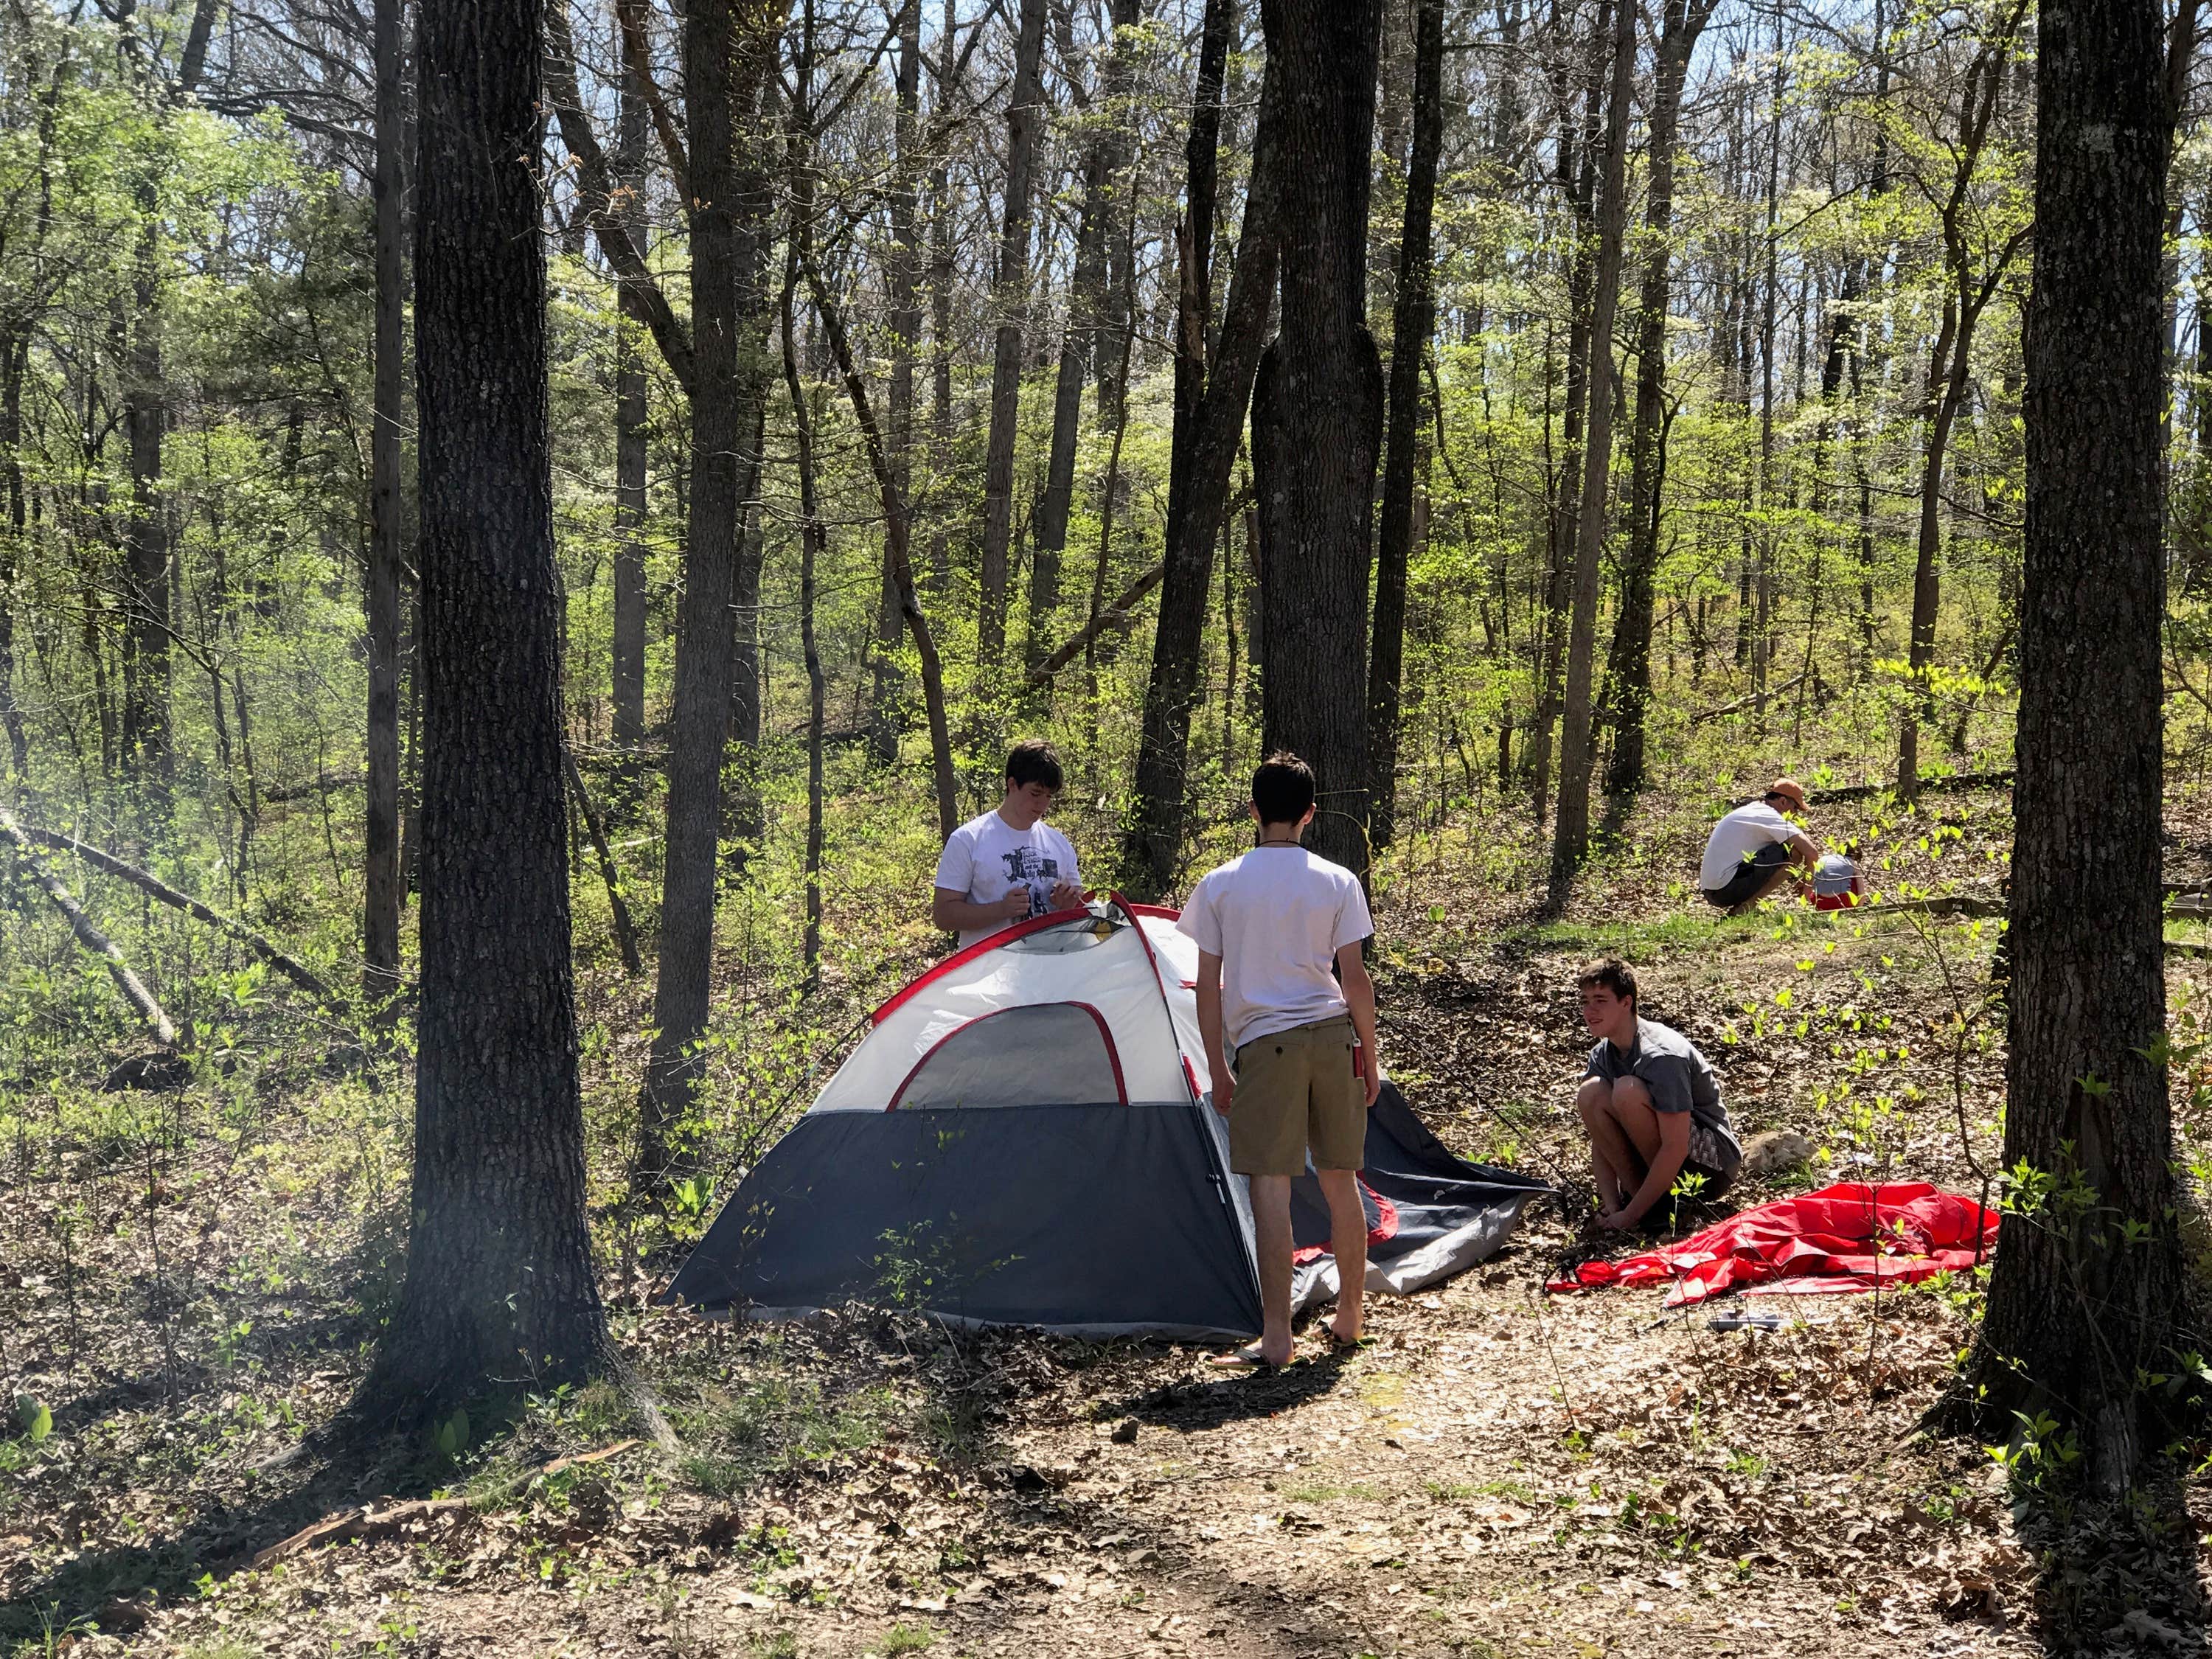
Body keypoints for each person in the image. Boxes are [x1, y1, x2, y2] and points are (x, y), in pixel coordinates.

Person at [1180, 753, 1382, 1368]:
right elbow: (1356, 979)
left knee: (1271, 1191)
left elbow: (1207, 988)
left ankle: (1277, 1338)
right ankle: (1350, 1317)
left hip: (1264, 1045)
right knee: (1340, 1180)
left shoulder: (1219, 884)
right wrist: (1369, 1058)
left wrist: (1219, 1070)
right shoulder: (1337, 879)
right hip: (1332, 1036)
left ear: (1253, 811)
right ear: (1310, 815)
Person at [1573, 959, 1741, 1233]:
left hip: (1711, 1168)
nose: (1589, 1010)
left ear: (1626, 1003)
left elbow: (1676, 1146)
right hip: (1658, 1160)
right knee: (1591, 1093)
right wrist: (1614, 1209)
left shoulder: (1662, 1055)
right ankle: (1641, 1204)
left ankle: (1656, 1207)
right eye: (1585, 1001)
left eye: (1600, 1000)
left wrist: (1631, 1216)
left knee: (1627, 1091)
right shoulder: (1602, 1055)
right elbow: (1600, 1136)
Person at [931, 740, 1085, 949]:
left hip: (1049, 970)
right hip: (988, 973)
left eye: (1049, 796)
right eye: (1035, 793)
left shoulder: (1058, 843)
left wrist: (1067, 905)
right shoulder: (969, 839)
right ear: (1012, 785)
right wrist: (1001, 910)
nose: (1043, 804)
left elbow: (1080, 909)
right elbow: (943, 916)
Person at [1699, 777, 1819, 916]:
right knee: (1794, 852)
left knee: (1787, 847)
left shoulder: (1753, 811)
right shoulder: (1768, 816)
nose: (1795, 814)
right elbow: (1811, 853)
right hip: (1724, 889)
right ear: (1783, 802)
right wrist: (1808, 888)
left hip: (1712, 888)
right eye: (1795, 808)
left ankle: (1745, 906)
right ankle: (1747, 907)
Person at [1809, 843, 1867, 911]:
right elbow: (1861, 892)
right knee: (1854, 878)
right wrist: (1858, 908)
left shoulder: (1823, 858)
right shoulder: (1853, 863)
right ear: (1855, 857)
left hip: (1818, 901)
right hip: (1842, 902)